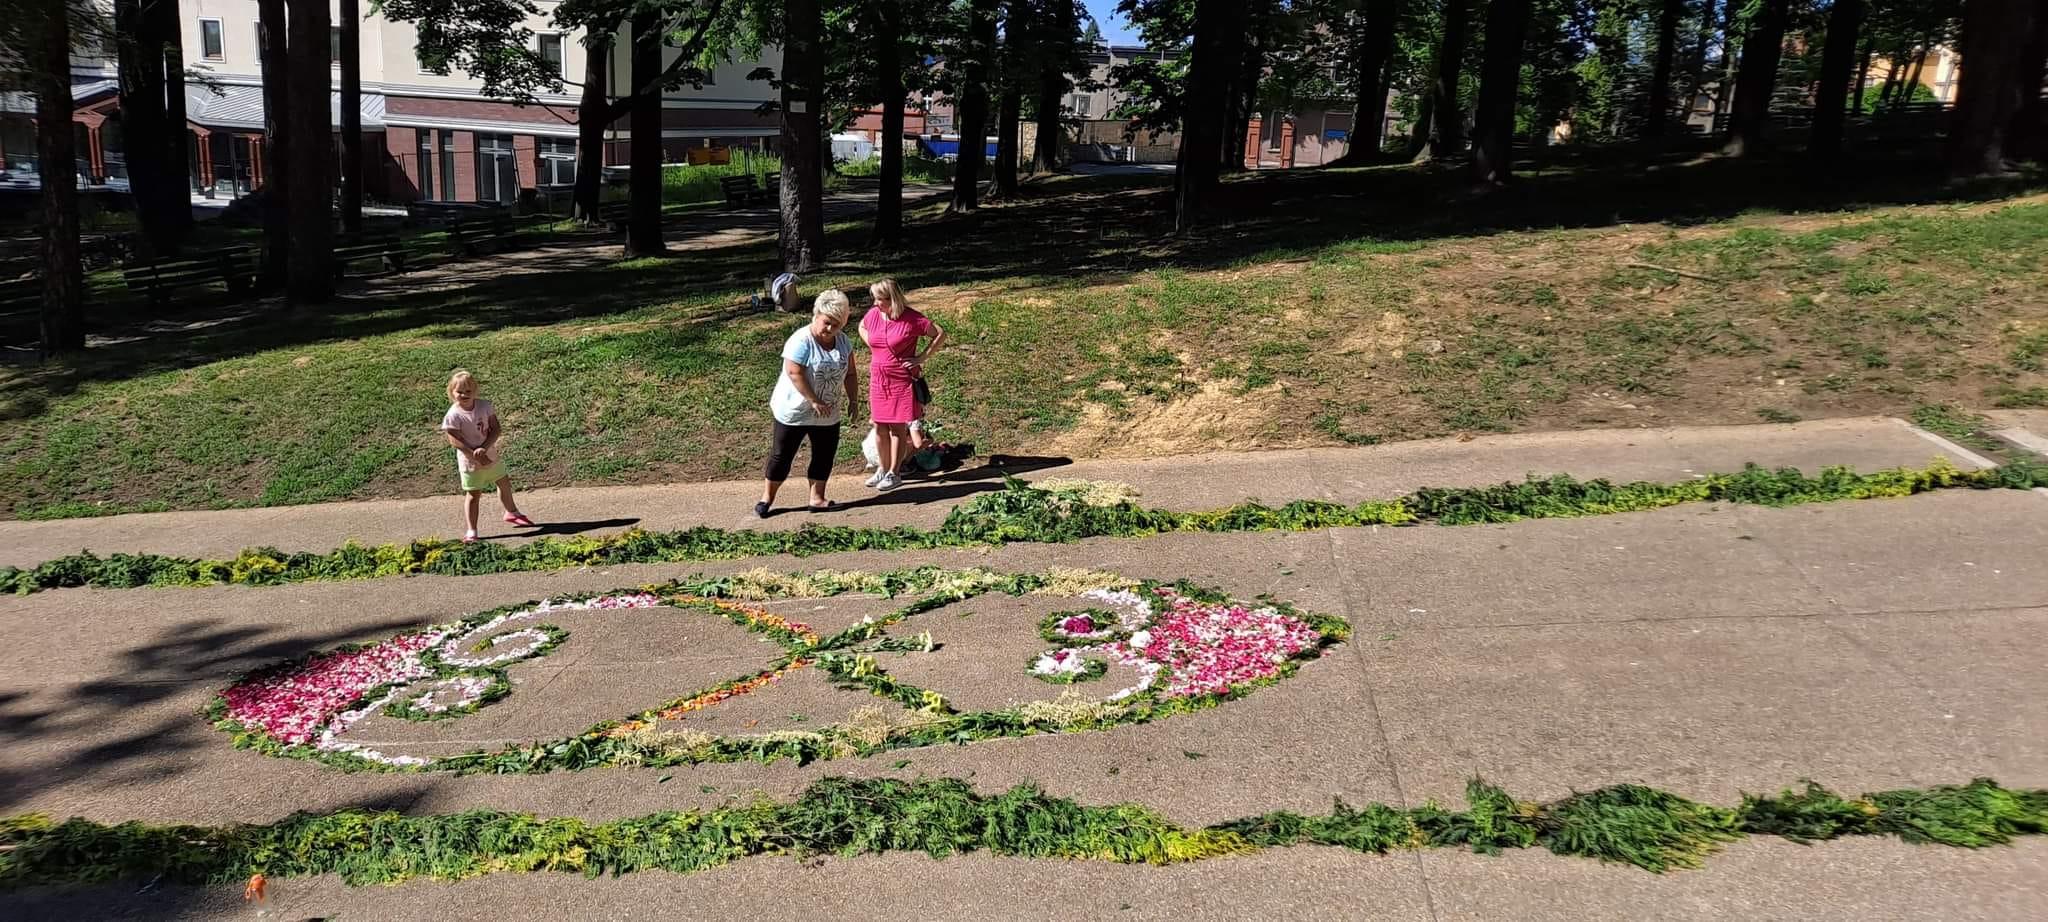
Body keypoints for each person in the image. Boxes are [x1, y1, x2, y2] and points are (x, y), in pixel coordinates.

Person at [760, 289, 857, 517]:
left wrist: (853, 399)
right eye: (826, 323)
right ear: (816, 315)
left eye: (837, 324)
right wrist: (813, 400)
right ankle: (767, 498)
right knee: (781, 455)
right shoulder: (801, 340)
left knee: (824, 454)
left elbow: (851, 373)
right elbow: (794, 373)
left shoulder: (844, 342)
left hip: (827, 413)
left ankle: (817, 498)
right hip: (795, 410)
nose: (830, 329)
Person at [859, 278, 945, 492]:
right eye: (875, 299)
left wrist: (921, 358)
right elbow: (862, 326)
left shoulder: (912, 318)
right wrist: (871, 343)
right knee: (879, 425)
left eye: (880, 299)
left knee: (897, 427)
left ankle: (894, 472)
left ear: (893, 299)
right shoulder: (873, 315)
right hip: (879, 378)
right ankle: (882, 467)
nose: (876, 303)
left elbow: (940, 333)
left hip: (901, 378)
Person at [440, 369, 535, 542]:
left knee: (503, 482)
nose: (464, 394)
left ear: (475, 391)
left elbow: (496, 429)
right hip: (470, 463)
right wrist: (474, 453)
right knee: (474, 495)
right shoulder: (453, 415)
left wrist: (484, 448)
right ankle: (472, 530)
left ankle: (511, 512)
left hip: (490, 455)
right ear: (452, 392)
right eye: (459, 391)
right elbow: (454, 440)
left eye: (468, 391)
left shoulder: (484, 406)